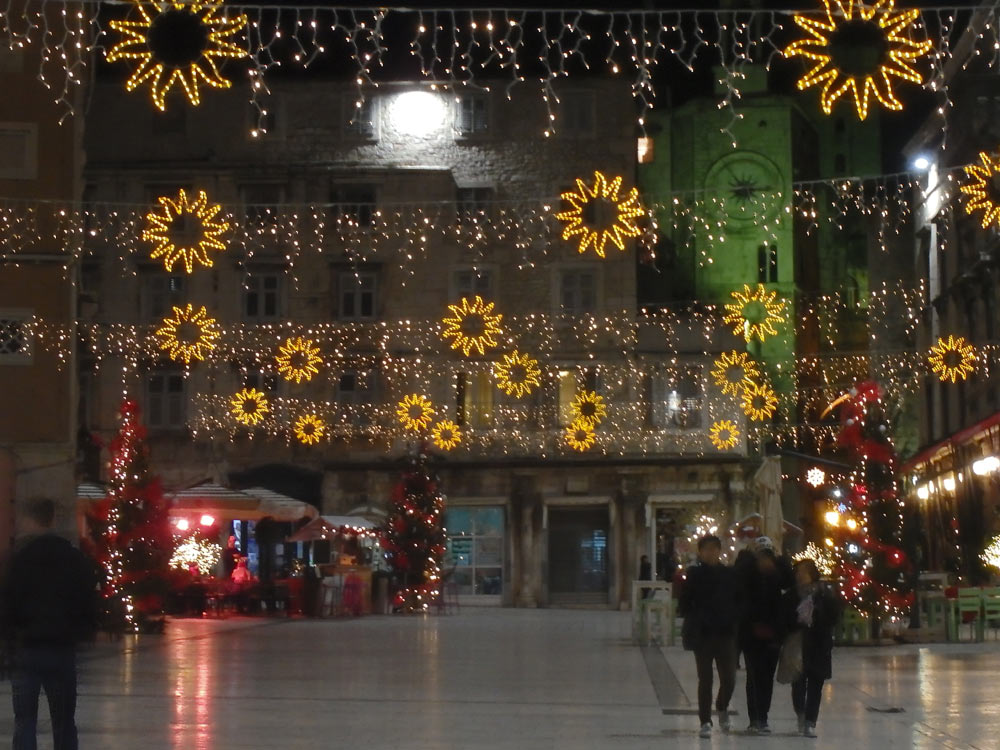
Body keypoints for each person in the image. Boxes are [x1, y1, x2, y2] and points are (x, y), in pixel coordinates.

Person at [0, 497, 98, 750]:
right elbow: (88, 600)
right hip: (62, 648)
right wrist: (82, 632)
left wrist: (9, 639)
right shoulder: (73, 558)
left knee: (25, 721)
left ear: (27, 520)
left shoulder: (18, 559)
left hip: (27, 648)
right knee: (64, 721)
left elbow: (8, 603)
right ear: (52, 519)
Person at [678, 535, 742, 739]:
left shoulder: (729, 574)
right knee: (705, 679)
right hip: (703, 635)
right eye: (706, 549)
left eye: (714, 549)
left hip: (725, 633)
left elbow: (738, 599)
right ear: (701, 552)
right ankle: (705, 720)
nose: (710, 553)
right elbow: (684, 602)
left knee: (729, 679)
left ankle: (722, 706)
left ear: (719, 551)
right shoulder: (695, 574)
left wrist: (733, 618)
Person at [737, 536, 791, 735]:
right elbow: (739, 582)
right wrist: (752, 563)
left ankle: (763, 717)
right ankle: (754, 718)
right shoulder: (747, 571)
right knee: (753, 675)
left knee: (767, 676)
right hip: (750, 632)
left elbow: (789, 581)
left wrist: (777, 565)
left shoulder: (778, 574)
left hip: (773, 632)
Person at [785, 559, 840, 738]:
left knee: (816, 684)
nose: (801, 576)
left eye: (804, 572)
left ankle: (810, 722)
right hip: (798, 643)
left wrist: (818, 617)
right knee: (798, 683)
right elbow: (783, 618)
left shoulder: (824, 594)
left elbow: (834, 616)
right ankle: (801, 714)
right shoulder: (791, 596)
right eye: (798, 572)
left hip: (818, 643)